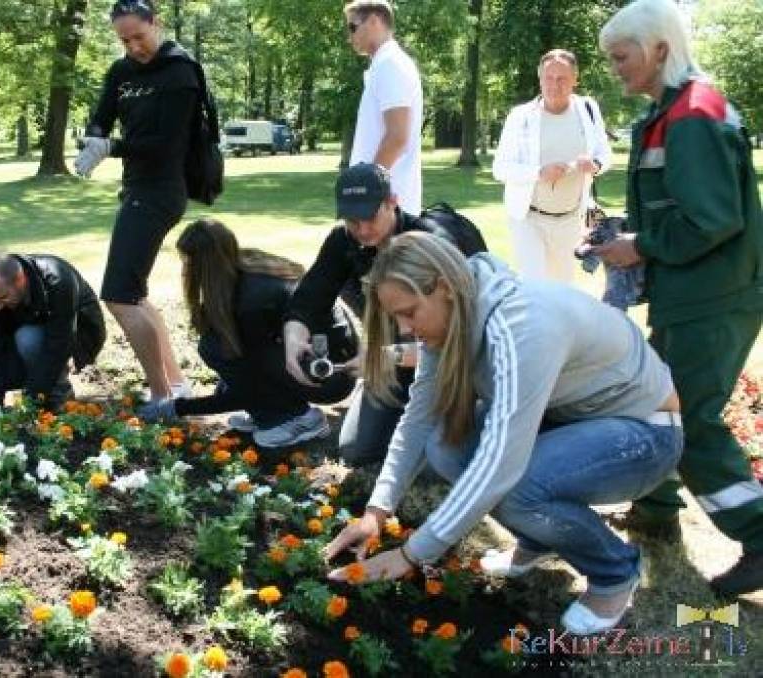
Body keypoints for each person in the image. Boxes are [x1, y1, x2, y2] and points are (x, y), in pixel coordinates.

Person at [325, 232, 682, 635]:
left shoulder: (520, 326)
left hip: (646, 434)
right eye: (398, 319)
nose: (406, 329)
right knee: (445, 444)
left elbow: (499, 464)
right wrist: (376, 512)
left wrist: (411, 554)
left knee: (513, 487)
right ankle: (537, 538)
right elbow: (418, 420)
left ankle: (614, 571)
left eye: (409, 313)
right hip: (574, 419)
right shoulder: (449, 320)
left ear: (443, 287)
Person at [596, 0, 763, 596]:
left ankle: (758, 535)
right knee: (659, 400)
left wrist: (638, 246)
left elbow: (712, 219)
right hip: (695, 293)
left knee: (688, 416)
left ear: (659, 49)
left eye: (621, 57)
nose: (614, 68)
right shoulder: (675, 109)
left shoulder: (692, 114)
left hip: (714, 297)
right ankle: (658, 509)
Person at [284, 163, 487, 465]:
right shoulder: (343, 242)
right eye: (353, 221)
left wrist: (384, 357)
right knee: (356, 450)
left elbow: (466, 338)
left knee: (443, 457)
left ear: (392, 202)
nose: (363, 230)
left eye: (370, 217)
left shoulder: (431, 243)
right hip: (389, 362)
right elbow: (308, 299)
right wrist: (294, 338)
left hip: (449, 363)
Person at [74, 0, 200, 405]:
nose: (133, 47)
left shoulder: (180, 72)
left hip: (162, 191)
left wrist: (112, 146)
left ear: (156, 24)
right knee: (135, 292)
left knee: (118, 293)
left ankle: (162, 397)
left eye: (139, 37)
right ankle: (176, 384)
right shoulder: (121, 71)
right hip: (136, 189)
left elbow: (167, 145)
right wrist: (95, 137)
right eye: (124, 40)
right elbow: (102, 113)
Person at [138, 219, 358, 447]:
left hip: (332, 375)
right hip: (336, 357)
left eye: (187, 261)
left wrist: (178, 408)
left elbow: (250, 388)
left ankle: (295, 418)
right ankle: (271, 410)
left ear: (202, 265)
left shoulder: (251, 302)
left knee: (216, 349)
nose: (185, 270)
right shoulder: (247, 266)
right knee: (226, 358)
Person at [492, 49, 612, 283]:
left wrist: (594, 164)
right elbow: (500, 168)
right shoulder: (521, 116)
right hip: (528, 217)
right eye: (548, 78)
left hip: (570, 218)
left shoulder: (588, 110)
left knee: (562, 290)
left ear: (575, 80)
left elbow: (604, 154)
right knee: (534, 286)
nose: (554, 85)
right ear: (539, 79)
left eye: (562, 79)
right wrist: (538, 173)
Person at [0, 254, 105, 408]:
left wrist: (32, 401)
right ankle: (37, 390)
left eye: (3, 297)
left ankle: (60, 397)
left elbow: (59, 343)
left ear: (20, 280)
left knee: (28, 338)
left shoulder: (58, 281)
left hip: (78, 333)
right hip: (26, 337)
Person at [344, 0, 423, 217]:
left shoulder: (391, 64)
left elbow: (397, 137)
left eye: (352, 27)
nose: (349, 36)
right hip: (383, 203)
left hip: (385, 207)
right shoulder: (384, 64)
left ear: (374, 21)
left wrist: (367, 190)